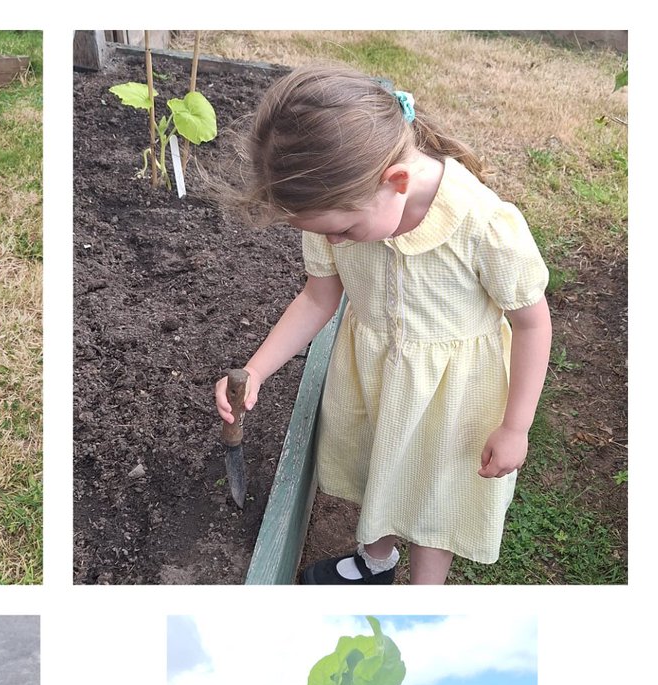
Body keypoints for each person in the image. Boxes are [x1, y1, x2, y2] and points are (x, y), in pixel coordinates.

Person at [215, 68, 552, 585]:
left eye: (345, 230)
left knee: (435, 498)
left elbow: (531, 323)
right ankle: (375, 562)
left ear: (395, 182)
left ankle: (420, 596)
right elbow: (316, 297)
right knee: (379, 469)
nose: (340, 243)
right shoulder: (336, 213)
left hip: (454, 400)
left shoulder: (482, 224)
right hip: (375, 374)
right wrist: (257, 370)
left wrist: (515, 426)